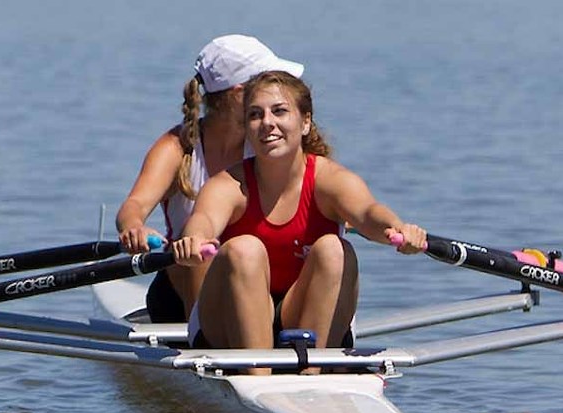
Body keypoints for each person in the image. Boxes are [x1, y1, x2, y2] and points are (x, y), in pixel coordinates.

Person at [172, 71, 426, 373]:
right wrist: (193, 241)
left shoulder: (330, 179)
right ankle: (258, 380)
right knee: (244, 249)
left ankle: (312, 375)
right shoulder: (228, 185)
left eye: (279, 111)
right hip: (227, 323)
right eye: (255, 115)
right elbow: (203, 220)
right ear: (247, 129)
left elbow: (368, 213)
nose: (267, 123)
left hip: (303, 309)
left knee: (335, 249)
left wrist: (397, 229)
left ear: (305, 122)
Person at [116, 35, 304, 323]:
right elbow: (135, 205)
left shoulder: (270, 142)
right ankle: (203, 340)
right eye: (268, 83)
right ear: (240, 93)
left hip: (263, 285)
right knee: (201, 252)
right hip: (183, 295)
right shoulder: (178, 148)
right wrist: (134, 228)